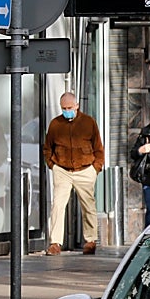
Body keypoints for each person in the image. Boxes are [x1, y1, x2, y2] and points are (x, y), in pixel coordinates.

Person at [43, 92, 105, 255]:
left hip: (85, 169)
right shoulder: (55, 124)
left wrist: (95, 168)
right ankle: (55, 243)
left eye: (69, 108)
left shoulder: (88, 122)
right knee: (57, 205)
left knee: (88, 205)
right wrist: (53, 165)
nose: (67, 111)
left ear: (77, 106)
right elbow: (47, 148)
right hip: (62, 169)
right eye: (64, 108)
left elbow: (98, 147)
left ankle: (91, 240)